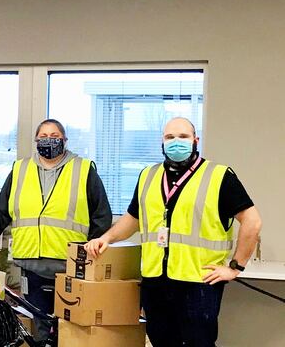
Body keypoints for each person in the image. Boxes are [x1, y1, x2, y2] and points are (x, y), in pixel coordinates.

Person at [85, 117, 262, 347]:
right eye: (170, 137)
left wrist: (234, 267)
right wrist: (106, 237)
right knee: (161, 342)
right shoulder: (148, 175)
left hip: (198, 283)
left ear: (195, 141)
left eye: (183, 137)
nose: (176, 142)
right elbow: (133, 218)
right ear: (162, 142)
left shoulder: (219, 177)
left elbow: (252, 221)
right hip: (155, 281)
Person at [0, 119, 112, 339]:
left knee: (72, 331)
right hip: (31, 268)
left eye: (54, 136)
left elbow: (101, 216)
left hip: (71, 267)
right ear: (36, 141)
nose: (49, 140)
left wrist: (90, 252)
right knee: (40, 331)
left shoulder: (83, 169)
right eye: (43, 136)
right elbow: (1, 209)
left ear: (64, 140)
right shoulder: (20, 169)